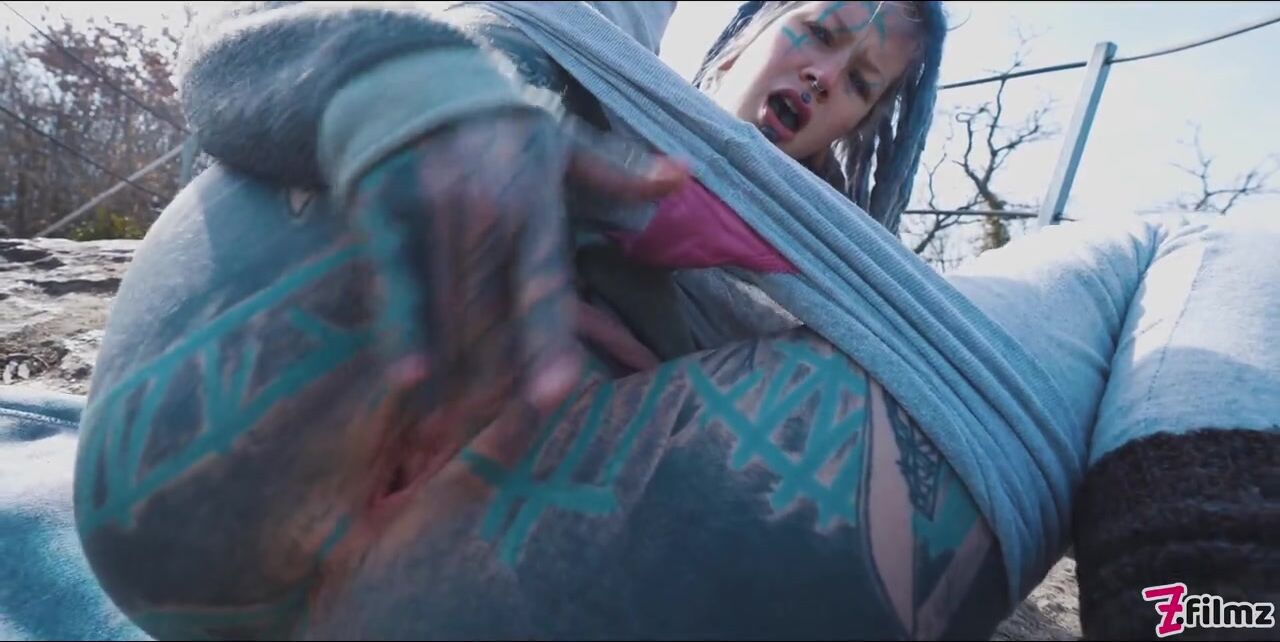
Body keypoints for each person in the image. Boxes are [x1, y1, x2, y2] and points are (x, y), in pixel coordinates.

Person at [56, 1, 1277, 641]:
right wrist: (451, 102)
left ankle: (1214, 607)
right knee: (525, 38)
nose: (826, 74)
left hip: (509, 578)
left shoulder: (828, 285)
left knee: (1200, 232)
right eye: (817, 30)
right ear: (749, 26)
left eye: (861, 83)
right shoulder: (582, 46)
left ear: (859, 129)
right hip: (206, 480)